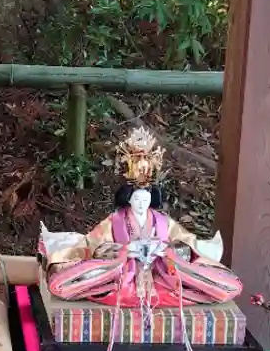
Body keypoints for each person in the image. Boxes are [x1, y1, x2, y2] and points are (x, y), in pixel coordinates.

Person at [39, 127, 240, 308]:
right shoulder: (115, 221)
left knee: (224, 286)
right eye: (137, 199)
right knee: (62, 284)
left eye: (145, 199)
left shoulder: (163, 222)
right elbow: (93, 247)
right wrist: (125, 251)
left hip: (161, 277)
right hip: (120, 278)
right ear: (128, 198)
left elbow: (188, 246)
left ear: (152, 199)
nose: (142, 203)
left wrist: (165, 252)